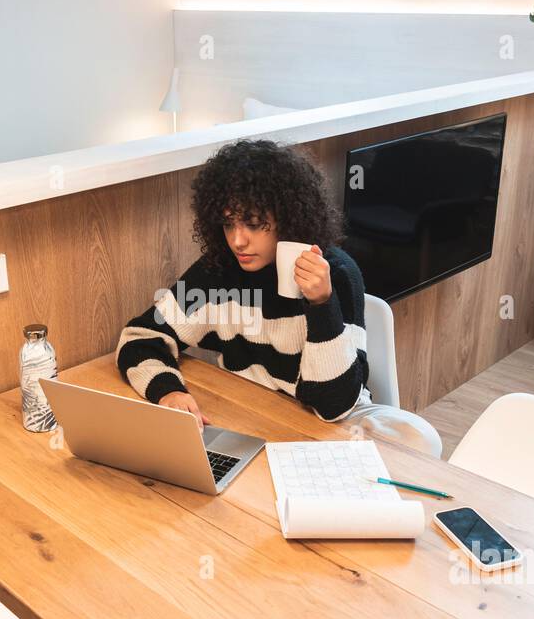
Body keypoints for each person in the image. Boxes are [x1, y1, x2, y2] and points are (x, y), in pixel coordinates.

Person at [116, 138, 442, 455]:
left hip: (335, 422)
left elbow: (333, 406)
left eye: (254, 224)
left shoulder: (337, 274)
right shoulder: (217, 271)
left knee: (420, 438)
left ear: (287, 218)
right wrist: (167, 390)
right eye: (229, 224)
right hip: (251, 412)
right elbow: (142, 337)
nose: (238, 241)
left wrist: (321, 304)